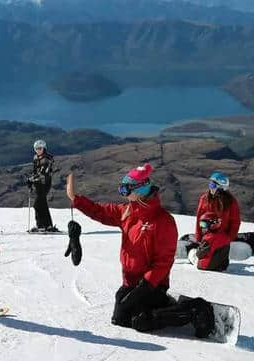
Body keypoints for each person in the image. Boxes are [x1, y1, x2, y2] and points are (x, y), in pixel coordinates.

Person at [66, 163, 216, 338]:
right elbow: (101, 211)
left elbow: (164, 262)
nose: (123, 195)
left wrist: (146, 285)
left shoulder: (163, 221)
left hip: (152, 284)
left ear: (141, 189)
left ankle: (195, 309)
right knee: (120, 319)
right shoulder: (127, 212)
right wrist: (76, 200)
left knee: (141, 321)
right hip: (131, 281)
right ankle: (164, 304)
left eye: (125, 190)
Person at [191, 171, 241, 271]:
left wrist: (229, 237)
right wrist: (198, 237)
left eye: (213, 185)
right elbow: (199, 218)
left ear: (221, 187)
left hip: (222, 239)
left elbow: (235, 221)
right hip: (207, 237)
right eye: (210, 184)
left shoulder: (230, 201)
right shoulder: (205, 199)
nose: (210, 187)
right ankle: (194, 255)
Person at [27, 139, 58, 232]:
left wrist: (32, 179)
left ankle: (41, 225)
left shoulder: (47, 159)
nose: (38, 150)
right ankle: (48, 225)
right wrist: (31, 180)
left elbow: (43, 173)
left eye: (40, 148)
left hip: (44, 184)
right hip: (38, 184)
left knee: (37, 205)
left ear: (44, 148)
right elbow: (35, 171)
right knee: (43, 204)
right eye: (36, 148)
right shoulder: (36, 158)